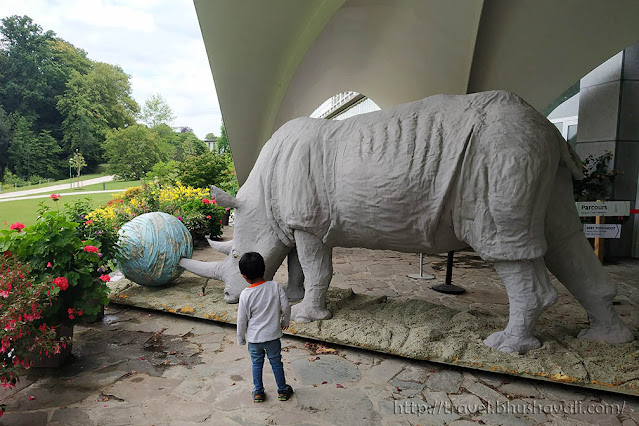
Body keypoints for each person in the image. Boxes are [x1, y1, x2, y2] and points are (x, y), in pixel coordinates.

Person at [236, 252, 294, 403]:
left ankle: (258, 392)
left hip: (255, 339)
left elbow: (241, 320)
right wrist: (284, 322)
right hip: (273, 336)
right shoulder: (275, 287)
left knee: (256, 364)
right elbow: (286, 307)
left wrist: (241, 338)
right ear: (264, 269)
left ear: (244, 276)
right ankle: (282, 390)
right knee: (276, 363)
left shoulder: (245, 295)